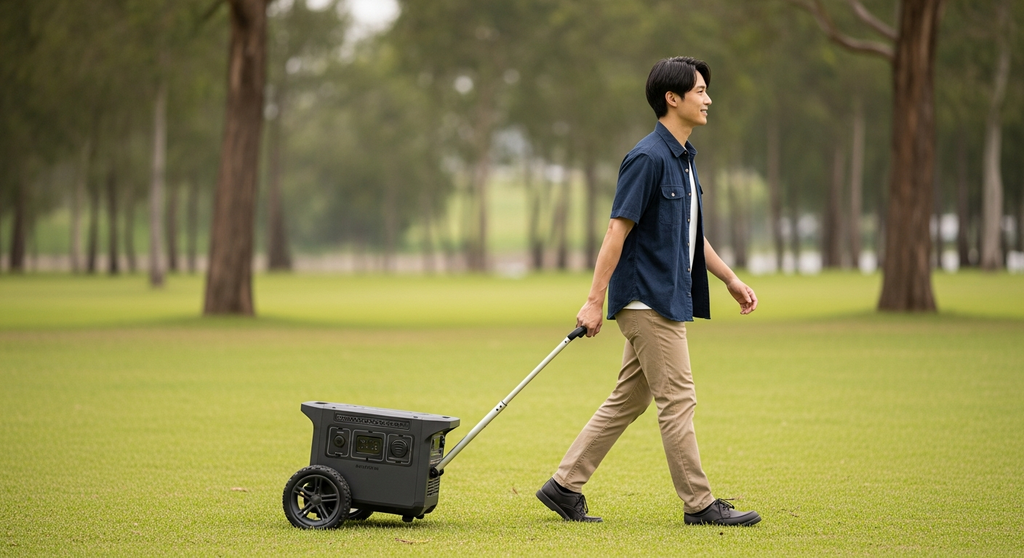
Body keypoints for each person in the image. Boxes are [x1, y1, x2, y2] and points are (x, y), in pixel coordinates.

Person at [535, 56, 761, 526]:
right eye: (700, 91)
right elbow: (616, 232)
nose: (708, 99)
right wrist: (594, 300)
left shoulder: (682, 158)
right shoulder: (648, 157)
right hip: (647, 300)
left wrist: (731, 280)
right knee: (678, 400)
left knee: (629, 399)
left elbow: (691, 234)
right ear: (671, 99)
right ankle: (699, 504)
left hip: (666, 296)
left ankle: (563, 485)